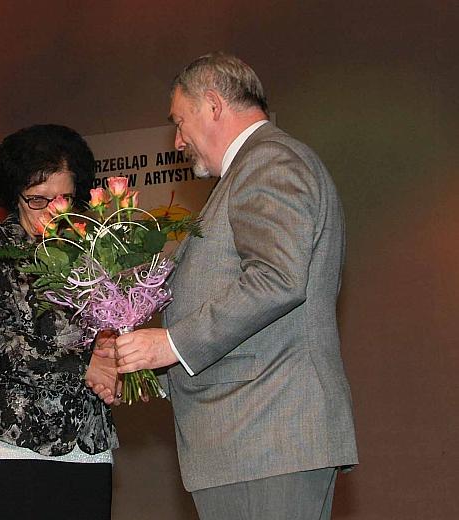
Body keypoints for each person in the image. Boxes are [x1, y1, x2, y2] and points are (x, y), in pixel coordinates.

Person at [106, 52, 359, 518]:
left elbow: (278, 279)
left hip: (266, 436)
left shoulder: (270, 162)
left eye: (180, 123)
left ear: (214, 105)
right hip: (254, 440)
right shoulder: (254, 170)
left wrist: (172, 344)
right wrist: (148, 366)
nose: (178, 141)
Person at [0, 124, 120, 520]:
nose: (53, 210)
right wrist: (86, 366)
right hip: (5, 447)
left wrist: (113, 358)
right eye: (38, 199)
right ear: (15, 194)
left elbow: (104, 334)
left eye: (64, 198)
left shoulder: (89, 255)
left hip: (86, 450)